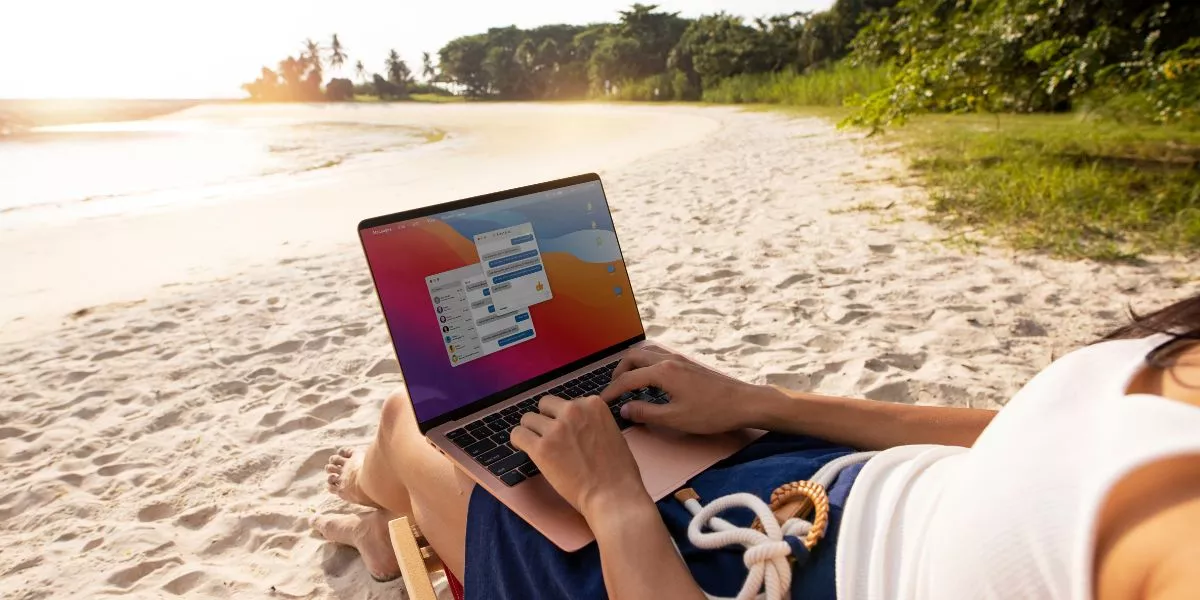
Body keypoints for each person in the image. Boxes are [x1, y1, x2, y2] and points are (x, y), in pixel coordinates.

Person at [314, 293, 1200, 599]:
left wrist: (616, 502)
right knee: (597, 417)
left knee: (406, 418)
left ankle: (374, 509)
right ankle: (380, 516)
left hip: (735, 567)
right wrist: (762, 403)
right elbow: (1026, 434)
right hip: (812, 483)